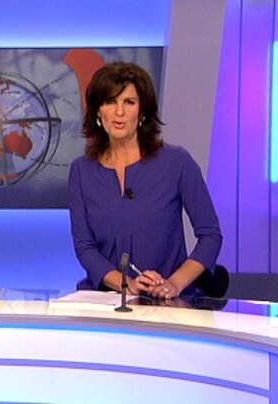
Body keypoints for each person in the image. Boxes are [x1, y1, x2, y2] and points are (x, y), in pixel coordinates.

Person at [68, 61, 222, 299]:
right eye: (110, 101)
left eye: (129, 102)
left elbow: (210, 236)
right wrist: (126, 284)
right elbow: (84, 246)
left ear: (142, 112)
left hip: (168, 302)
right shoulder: (81, 171)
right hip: (105, 299)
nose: (119, 112)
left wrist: (173, 284)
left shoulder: (177, 163)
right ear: (98, 111)